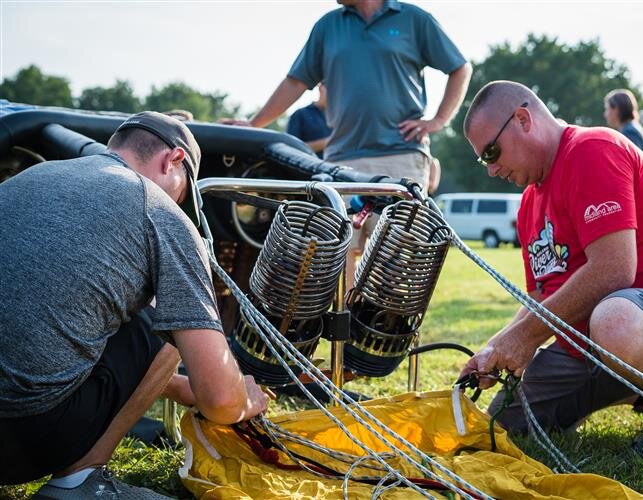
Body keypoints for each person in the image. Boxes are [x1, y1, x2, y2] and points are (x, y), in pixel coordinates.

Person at [0, 111, 269, 497]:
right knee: (165, 314)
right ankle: (78, 483)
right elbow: (222, 401)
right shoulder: (159, 209)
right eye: (184, 191)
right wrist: (245, 400)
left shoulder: (28, 179)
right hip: (20, 441)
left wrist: (175, 387)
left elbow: (44, 317)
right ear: (174, 160)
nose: (180, 201)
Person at [460, 81, 643, 457]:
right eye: (482, 159)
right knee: (504, 421)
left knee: (614, 320)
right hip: (589, 349)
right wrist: (496, 348)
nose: (490, 168)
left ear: (523, 119)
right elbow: (538, 296)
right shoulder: (527, 206)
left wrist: (525, 339)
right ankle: (638, 388)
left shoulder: (592, 149)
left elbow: (615, 269)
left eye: (492, 151)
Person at [232, 0, 471, 285]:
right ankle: (346, 330)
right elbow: (296, 82)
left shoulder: (414, 20)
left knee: (396, 265)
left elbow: (459, 68)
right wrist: (253, 125)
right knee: (337, 261)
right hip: (340, 163)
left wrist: (438, 120)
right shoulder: (328, 26)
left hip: (402, 156)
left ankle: (383, 328)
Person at [286, 83, 333, 158]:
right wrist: (330, 142)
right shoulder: (300, 114)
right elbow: (292, 148)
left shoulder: (340, 117)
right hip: (310, 167)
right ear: (321, 88)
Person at [603, 88, 643, 157]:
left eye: (607, 109)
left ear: (616, 109)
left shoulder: (630, 132)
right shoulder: (632, 128)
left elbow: (629, 163)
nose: (605, 114)